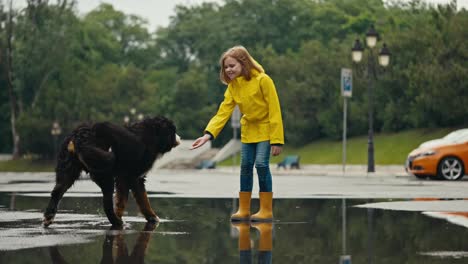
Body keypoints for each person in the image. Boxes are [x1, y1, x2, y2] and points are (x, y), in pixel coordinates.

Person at [191, 45, 284, 222]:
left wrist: (277, 140)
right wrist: (208, 134)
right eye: (226, 67)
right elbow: (223, 112)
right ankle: (244, 209)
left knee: (261, 165)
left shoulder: (264, 80)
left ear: (244, 63)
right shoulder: (233, 86)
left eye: (232, 65)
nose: (228, 70)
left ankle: (266, 210)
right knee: (245, 167)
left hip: (265, 129)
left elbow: (275, 110)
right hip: (248, 131)